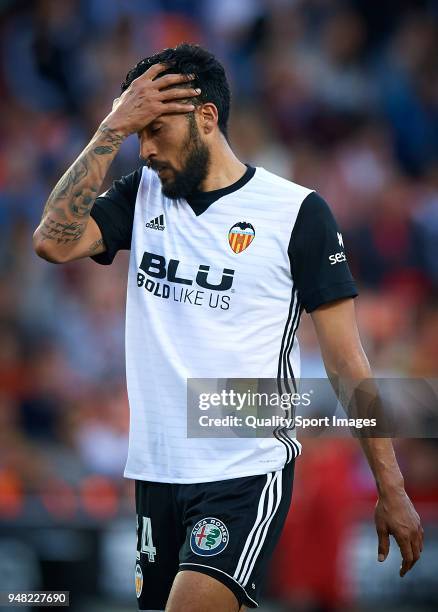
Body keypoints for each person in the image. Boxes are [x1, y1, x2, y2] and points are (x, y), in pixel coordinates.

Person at [33, 43, 423, 612]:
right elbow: (50, 242)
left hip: (244, 469)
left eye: (156, 131)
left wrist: (392, 488)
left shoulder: (295, 213)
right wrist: (112, 126)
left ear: (207, 119)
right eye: (137, 132)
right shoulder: (140, 196)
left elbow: (347, 364)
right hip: (156, 470)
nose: (145, 149)